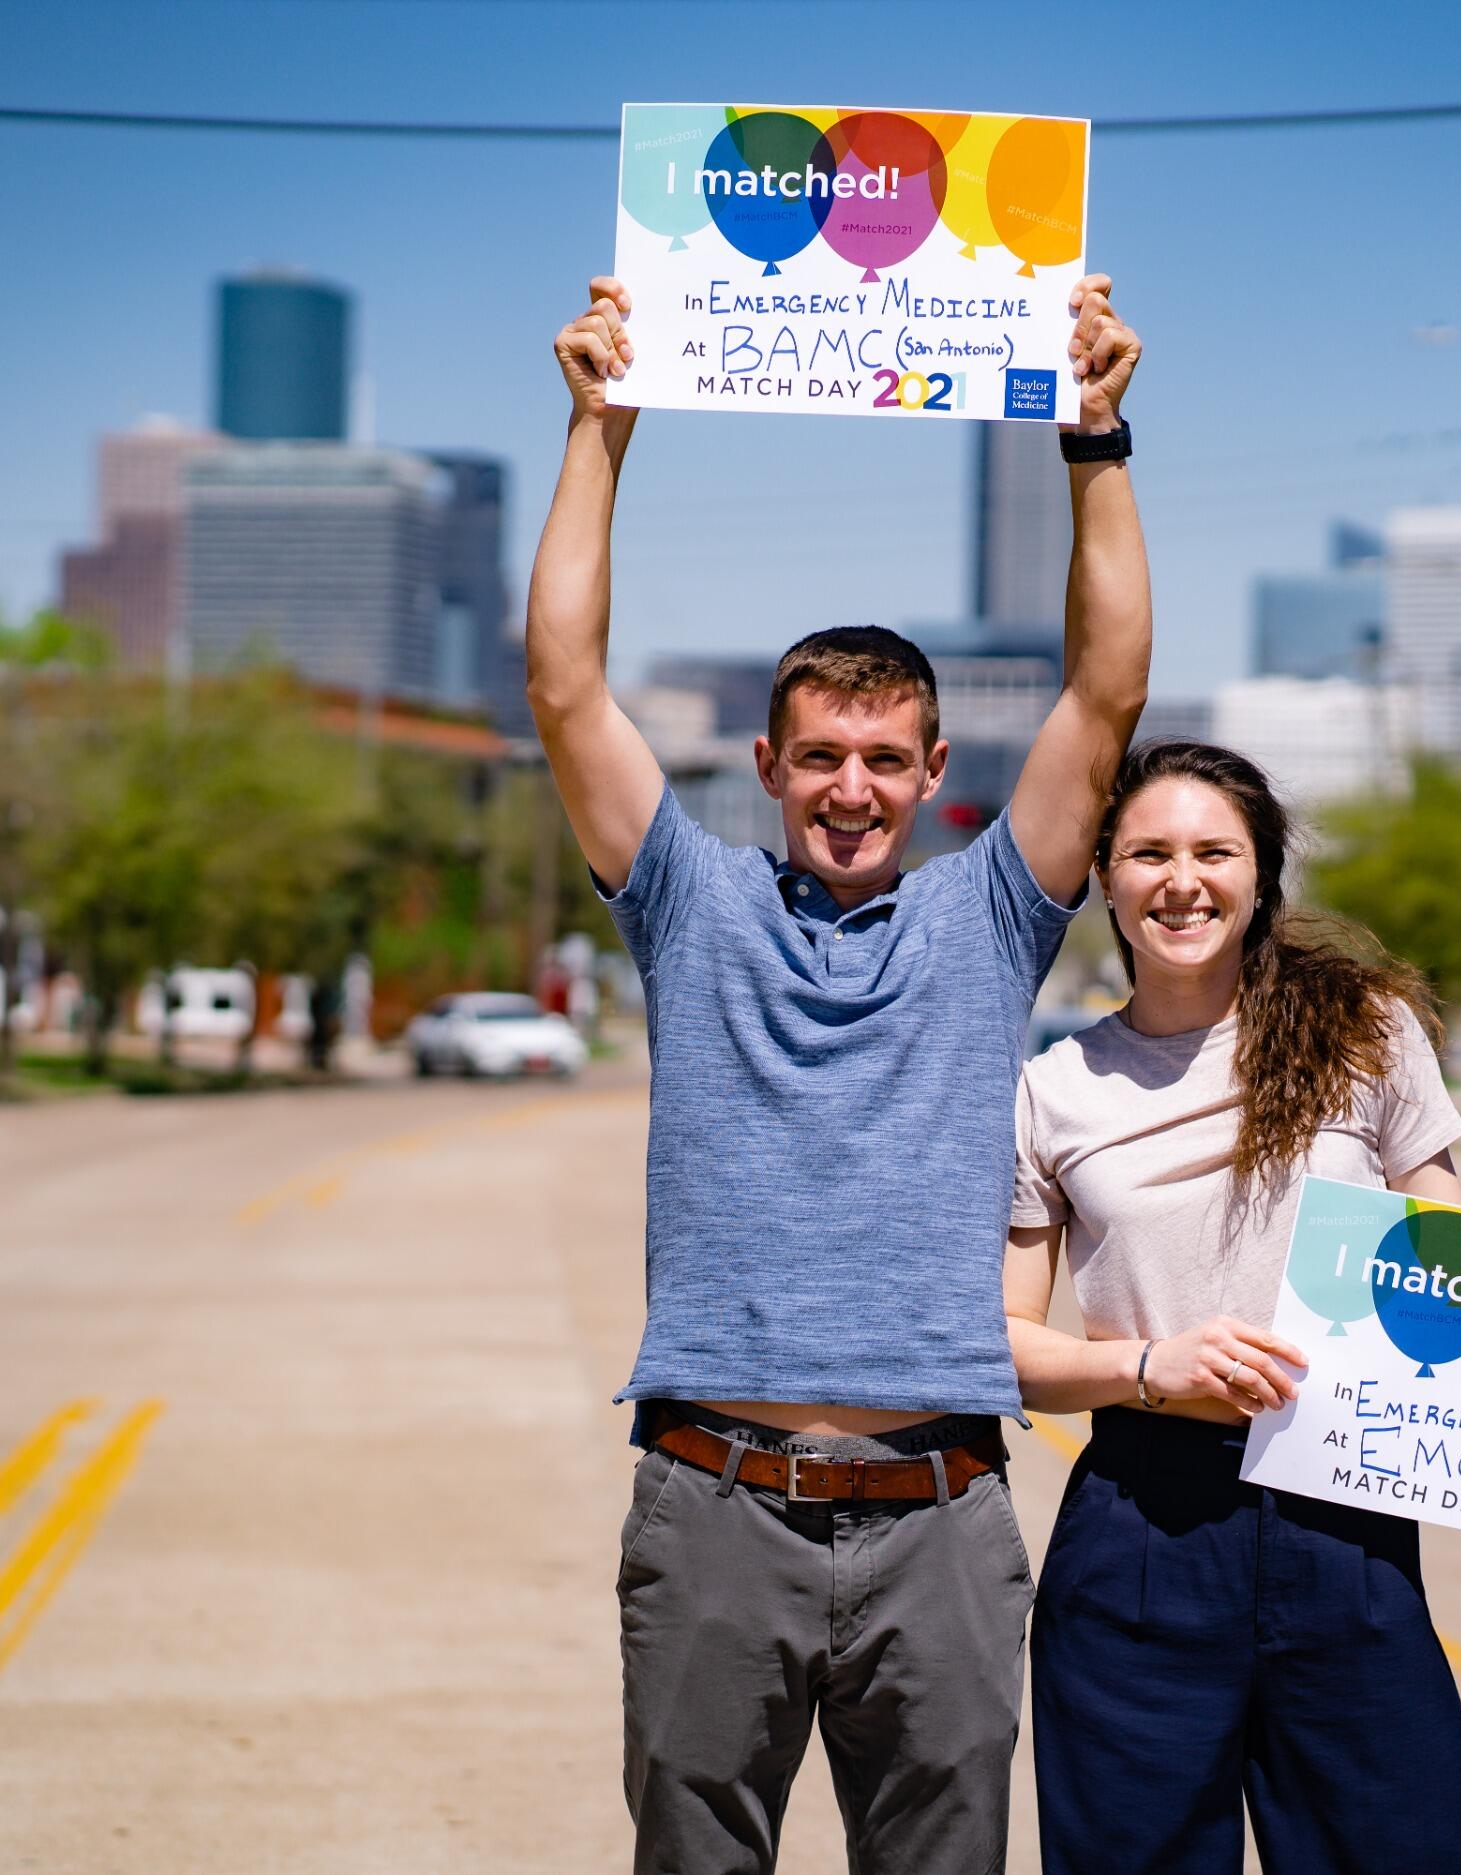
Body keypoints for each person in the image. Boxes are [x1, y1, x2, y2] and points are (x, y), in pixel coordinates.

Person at [527, 272, 1146, 1874]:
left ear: (935, 771)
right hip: (712, 1504)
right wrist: (600, 429)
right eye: (820, 755)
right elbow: (565, 687)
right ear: (768, 765)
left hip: (941, 1513)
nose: (851, 787)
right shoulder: (689, 898)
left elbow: (1107, 692)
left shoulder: (991, 915)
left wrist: (1096, 442)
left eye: (883, 758)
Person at [1005, 741, 1461, 1875]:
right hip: (1140, 1533)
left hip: (1343, 1521)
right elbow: (1009, 1347)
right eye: (1149, 853)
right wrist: (1151, 1367)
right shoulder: (1055, 1088)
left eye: (1214, 851)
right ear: (1105, 874)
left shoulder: (1366, 1032)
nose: (1182, 880)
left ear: (1262, 873)